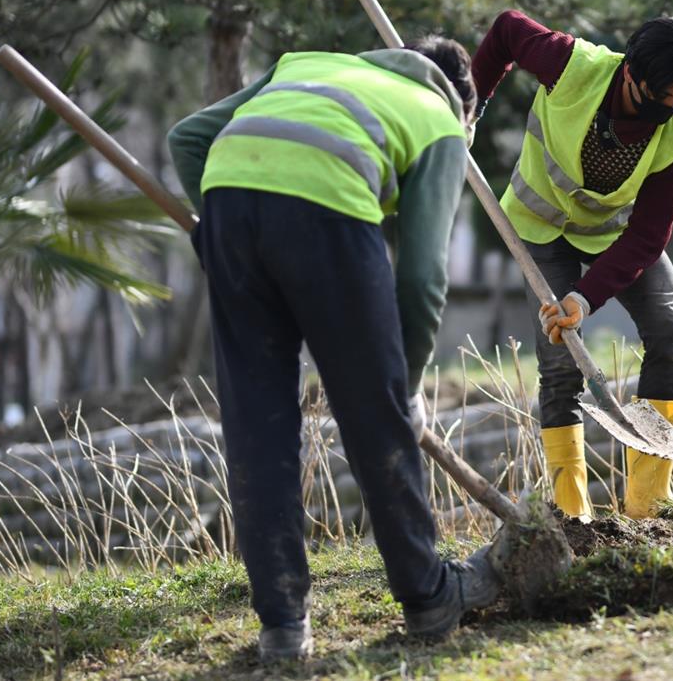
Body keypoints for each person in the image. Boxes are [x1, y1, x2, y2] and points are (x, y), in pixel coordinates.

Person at [167, 38, 499, 661]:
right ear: (466, 111)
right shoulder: (441, 123)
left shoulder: (305, 64)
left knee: (257, 426)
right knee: (375, 419)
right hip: (327, 216)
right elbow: (424, 279)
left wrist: (217, 235)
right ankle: (429, 597)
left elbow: (188, 137)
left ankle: (283, 627)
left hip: (230, 205)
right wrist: (402, 391)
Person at [472, 10, 673, 522]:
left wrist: (584, 297)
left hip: (613, 237)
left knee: (669, 332)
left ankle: (648, 507)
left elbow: (649, 235)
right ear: (631, 74)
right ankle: (570, 517)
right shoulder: (571, 64)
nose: (668, 109)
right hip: (539, 229)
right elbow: (508, 29)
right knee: (560, 361)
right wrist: (470, 106)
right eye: (661, 96)